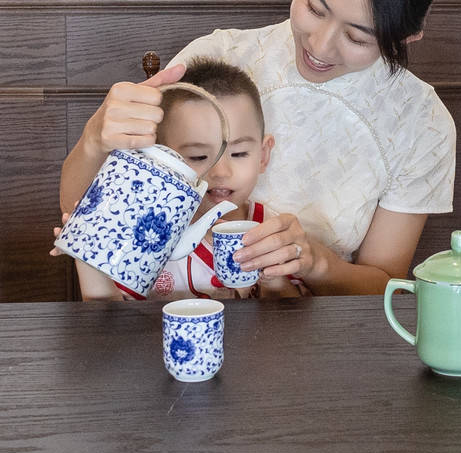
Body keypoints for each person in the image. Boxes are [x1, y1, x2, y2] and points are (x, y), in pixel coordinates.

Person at [61, 0, 456, 295]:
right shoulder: (219, 59)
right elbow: (89, 220)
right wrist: (96, 137)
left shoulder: (420, 121)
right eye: (314, 9)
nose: (320, 45)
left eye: (357, 38)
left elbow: (383, 283)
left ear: (406, 39)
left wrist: (317, 264)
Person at [65, 57, 302, 301]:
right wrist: (88, 261)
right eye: (197, 156)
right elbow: (108, 319)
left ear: (263, 156)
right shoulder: (146, 232)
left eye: (239, 153)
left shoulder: (273, 231)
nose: (221, 172)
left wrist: (274, 280)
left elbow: (291, 321)